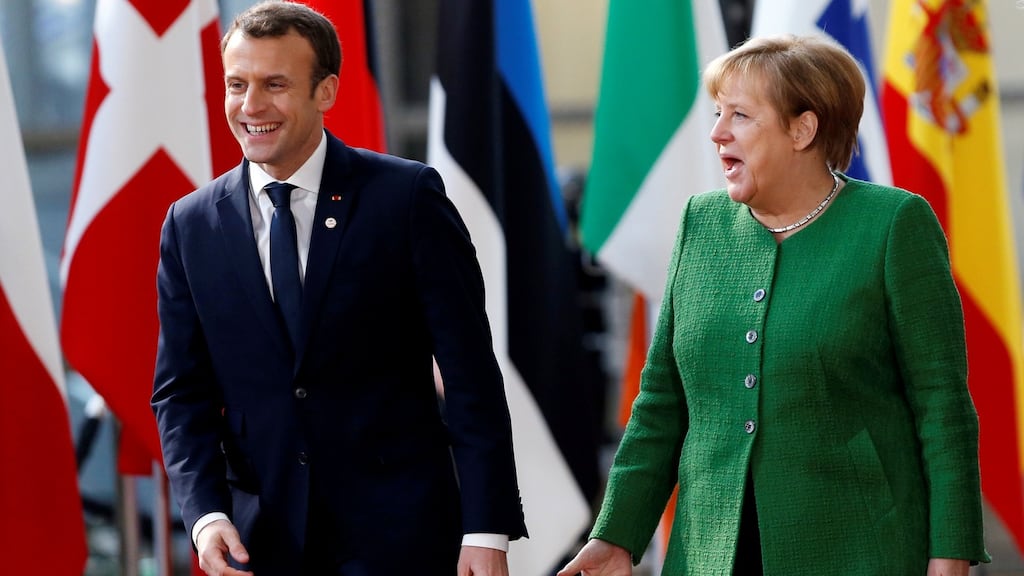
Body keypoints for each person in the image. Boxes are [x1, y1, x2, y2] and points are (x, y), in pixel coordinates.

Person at [559, 34, 989, 576]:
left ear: (802, 129)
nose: (716, 134)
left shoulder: (893, 225)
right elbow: (661, 403)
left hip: (860, 553)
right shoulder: (701, 224)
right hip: (709, 554)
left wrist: (949, 557)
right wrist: (617, 535)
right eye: (718, 113)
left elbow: (943, 409)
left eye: (739, 115)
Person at [151, 2, 526, 575]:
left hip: (401, 539)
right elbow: (181, 393)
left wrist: (486, 529)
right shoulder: (190, 223)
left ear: (325, 92)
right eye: (236, 84)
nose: (250, 106)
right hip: (260, 543)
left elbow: (470, 372)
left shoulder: (406, 198)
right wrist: (205, 515)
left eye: (274, 84)